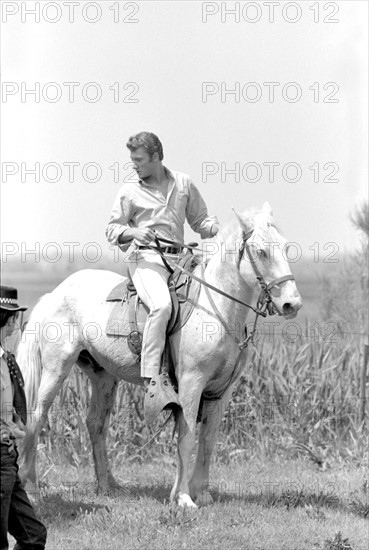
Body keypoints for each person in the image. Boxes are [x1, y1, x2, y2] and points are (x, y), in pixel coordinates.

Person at [106, 132, 220, 422]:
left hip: (181, 259)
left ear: (157, 157)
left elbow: (200, 221)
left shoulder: (183, 183)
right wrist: (133, 231)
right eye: (132, 160)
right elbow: (111, 230)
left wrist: (213, 227)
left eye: (139, 160)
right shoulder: (129, 191)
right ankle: (153, 382)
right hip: (145, 259)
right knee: (162, 306)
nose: (134, 165)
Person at [0, 286, 47, 550]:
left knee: (33, 536)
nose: (16, 323)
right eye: (14, 317)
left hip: (9, 462)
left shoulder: (7, 360)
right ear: (6, 319)